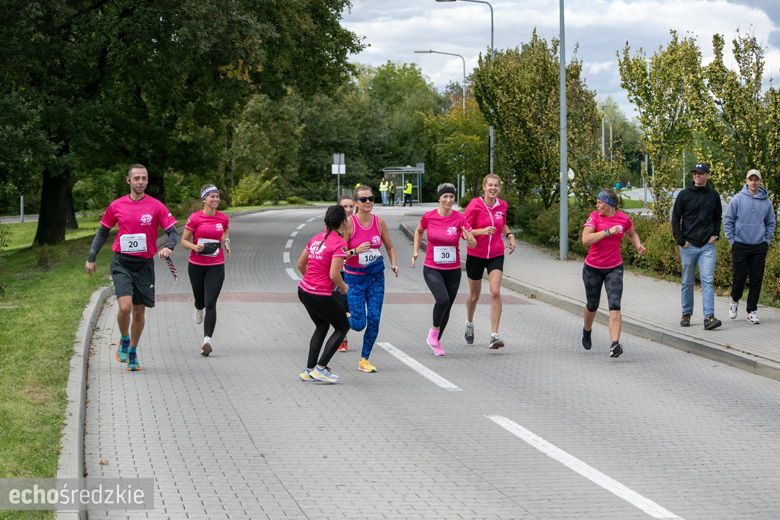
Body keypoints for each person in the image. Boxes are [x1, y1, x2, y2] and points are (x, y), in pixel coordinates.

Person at [85, 164, 178, 371]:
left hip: (144, 265)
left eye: (144, 178)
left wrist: (168, 247)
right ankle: (124, 339)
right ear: (128, 181)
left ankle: (133, 350)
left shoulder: (156, 206)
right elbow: (102, 232)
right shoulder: (117, 205)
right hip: (122, 263)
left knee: (138, 312)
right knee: (125, 307)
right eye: (136, 178)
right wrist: (91, 257)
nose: (140, 182)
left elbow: (173, 232)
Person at [580, 189, 646, 357]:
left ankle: (615, 343)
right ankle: (587, 330)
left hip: (614, 268)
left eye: (600, 202)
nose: (597, 205)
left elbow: (632, 233)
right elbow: (585, 240)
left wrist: (638, 245)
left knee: (615, 306)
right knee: (592, 305)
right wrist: (608, 232)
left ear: (610, 205)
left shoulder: (623, 219)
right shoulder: (595, 216)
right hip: (592, 268)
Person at [412, 183, 476, 356]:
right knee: (442, 300)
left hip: (453, 270)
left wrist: (470, 238)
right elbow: (418, 231)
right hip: (432, 267)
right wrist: (416, 251)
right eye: (445, 197)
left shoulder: (459, 218)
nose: (448, 200)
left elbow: (472, 242)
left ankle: (436, 340)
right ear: (439, 198)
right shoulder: (429, 217)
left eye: (451, 197)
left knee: (447, 306)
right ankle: (433, 332)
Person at [343, 185, 399, 373]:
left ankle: (364, 359)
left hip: (376, 278)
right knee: (359, 324)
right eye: (363, 199)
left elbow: (390, 247)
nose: (368, 202)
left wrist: (393, 263)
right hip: (354, 279)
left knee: (374, 319)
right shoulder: (349, 224)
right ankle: (341, 317)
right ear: (356, 203)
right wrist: (355, 251)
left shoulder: (379, 222)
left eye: (371, 199)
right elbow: (339, 252)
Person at [296, 205, 351, 383]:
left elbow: (300, 264)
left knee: (322, 325)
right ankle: (320, 368)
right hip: (320, 294)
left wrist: (311, 281)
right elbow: (334, 275)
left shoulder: (317, 238)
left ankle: (308, 370)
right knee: (343, 326)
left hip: (304, 290)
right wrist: (343, 287)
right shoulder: (340, 243)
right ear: (343, 222)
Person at [463, 174, 516, 349]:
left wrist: (509, 235)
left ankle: (494, 335)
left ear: (499, 188)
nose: (493, 188)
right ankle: (470, 322)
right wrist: (482, 231)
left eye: (496, 186)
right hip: (476, 254)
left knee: (495, 292)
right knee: (474, 295)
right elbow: (465, 231)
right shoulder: (474, 205)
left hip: (495, 254)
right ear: (484, 187)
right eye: (490, 185)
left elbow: (502, 224)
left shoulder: (502, 205)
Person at [180, 184, 231, 357]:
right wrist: (196, 247)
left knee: (211, 302)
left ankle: (207, 340)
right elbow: (183, 241)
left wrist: (226, 241)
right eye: (212, 197)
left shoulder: (223, 218)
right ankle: (197, 306)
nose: (215, 199)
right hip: (196, 265)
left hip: (216, 265)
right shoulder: (195, 218)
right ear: (204, 199)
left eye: (217, 196)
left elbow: (224, 233)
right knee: (200, 300)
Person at [671, 162, 723, 330]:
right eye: (695, 173)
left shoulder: (713, 195)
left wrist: (715, 234)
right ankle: (686, 313)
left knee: (708, 280)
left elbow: (717, 217)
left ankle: (709, 318)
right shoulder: (684, 195)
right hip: (688, 246)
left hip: (707, 246)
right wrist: (681, 240)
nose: (697, 176)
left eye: (701, 173)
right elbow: (675, 219)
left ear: (707, 175)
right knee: (687, 281)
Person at [723, 169, 776, 324]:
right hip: (740, 245)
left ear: (760, 182)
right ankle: (734, 300)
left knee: (756, 279)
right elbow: (728, 221)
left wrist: (767, 241)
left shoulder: (766, 202)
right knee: (738, 278)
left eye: (756, 179)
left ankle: (752, 311)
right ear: (746, 181)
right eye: (751, 179)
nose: (753, 182)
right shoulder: (737, 199)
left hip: (759, 246)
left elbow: (771, 223)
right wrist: (732, 241)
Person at [335, 194, 360, 352]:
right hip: (339, 273)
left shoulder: (359, 226)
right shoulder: (334, 229)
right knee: (341, 307)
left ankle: (341, 334)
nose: (349, 209)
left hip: (357, 273)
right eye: (345, 206)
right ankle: (342, 338)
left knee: (351, 309)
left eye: (351, 206)